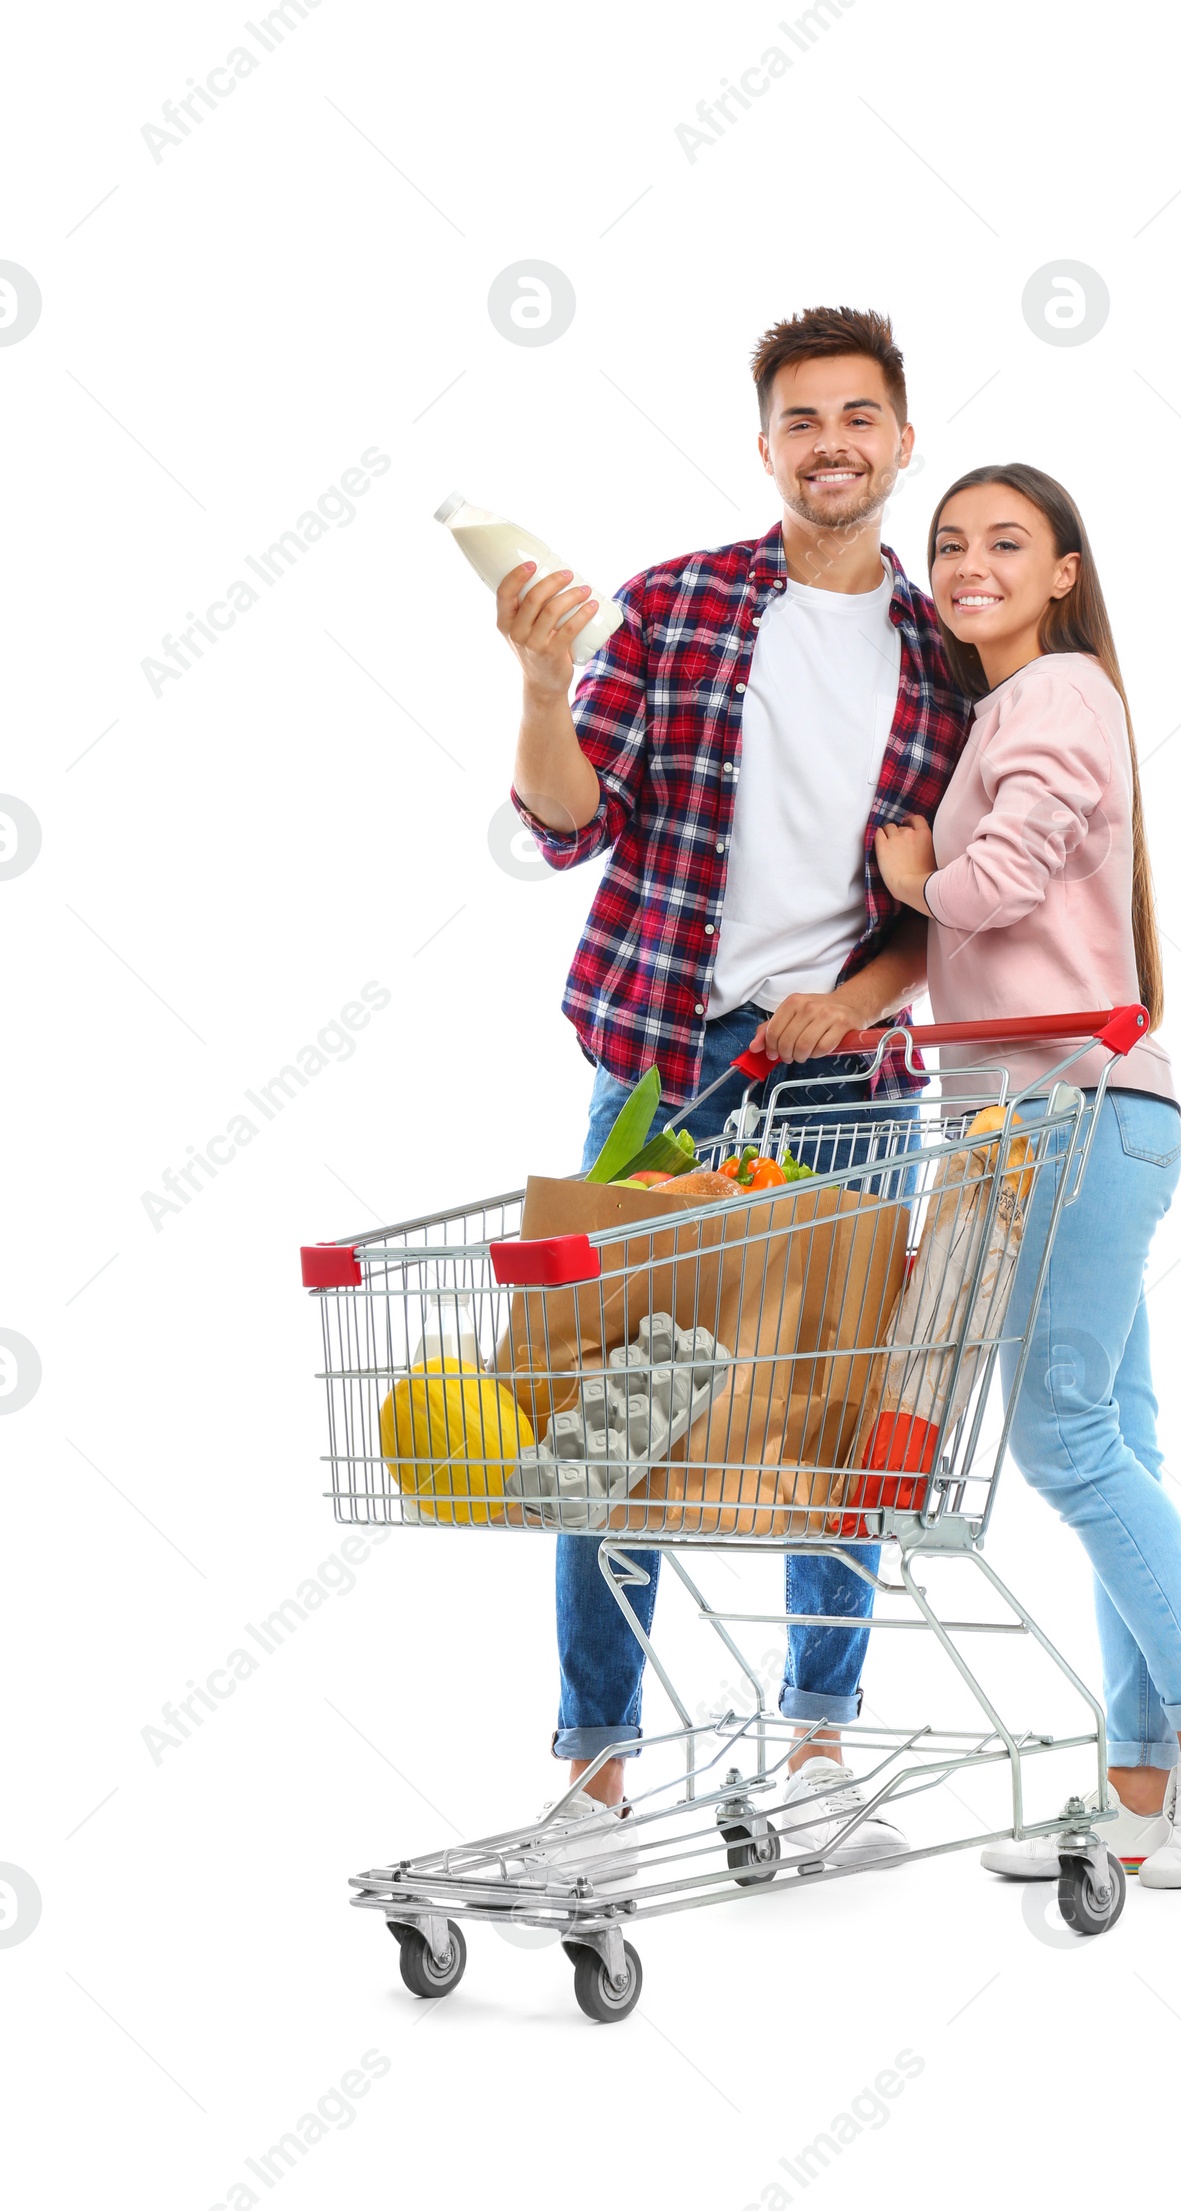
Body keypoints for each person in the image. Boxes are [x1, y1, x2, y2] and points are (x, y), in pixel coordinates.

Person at [503, 307, 969, 1873]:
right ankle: (597, 1772)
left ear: (901, 440)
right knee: (608, 1416)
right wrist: (543, 676)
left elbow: (932, 914)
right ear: (764, 444)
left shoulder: (946, 661)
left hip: (845, 1079)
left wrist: (845, 1003)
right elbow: (572, 824)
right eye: (800, 421)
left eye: (858, 418)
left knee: (833, 1418)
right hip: (663, 1056)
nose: (830, 444)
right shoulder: (680, 606)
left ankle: (820, 1745)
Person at [859, 462, 1181, 1889]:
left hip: (1076, 1121)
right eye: (948, 544)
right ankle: (1136, 1784)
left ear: (1064, 570)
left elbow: (995, 882)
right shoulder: (1012, 705)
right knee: (1119, 1443)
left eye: (1005, 541)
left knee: (1063, 1444)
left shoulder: (1056, 694)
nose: (968, 561)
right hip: (1054, 1125)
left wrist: (923, 878)